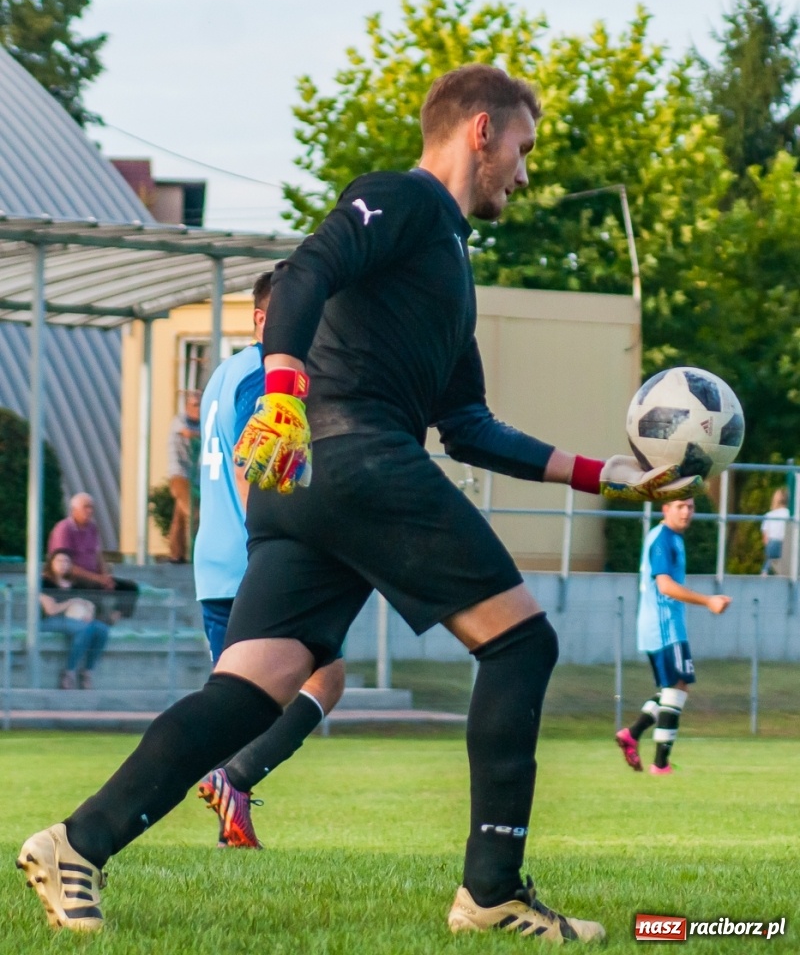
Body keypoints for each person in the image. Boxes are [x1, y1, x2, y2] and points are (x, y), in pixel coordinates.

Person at [18, 64, 699, 938]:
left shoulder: (449, 267)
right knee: (523, 645)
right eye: (523, 150)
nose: (525, 175)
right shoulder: (403, 200)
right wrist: (286, 395)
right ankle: (491, 893)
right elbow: (305, 273)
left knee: (251, 690)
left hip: (309, 488)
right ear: (480, 132)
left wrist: (604, 474)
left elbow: (469, 426)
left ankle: (77, 842)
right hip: (351, 456)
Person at [194, 270, 345, 848]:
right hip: (250, 562)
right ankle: (233, 778)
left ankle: (233, 815)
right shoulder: (264, 373)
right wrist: (274, 554)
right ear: (263, 319)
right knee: (323, 674)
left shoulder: (223, 372)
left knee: (238, 702)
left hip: (215, 563)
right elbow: (250, 463)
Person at [615, 498, 731, 776]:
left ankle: (632, 734)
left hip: (665, 625)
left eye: (690, 506)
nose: (687, 511)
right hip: (664, 626)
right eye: (680, 505)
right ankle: (661, 765)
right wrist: (708, 601)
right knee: (676, 689)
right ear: (665, 509)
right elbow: (664, 586)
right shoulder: (662, 539)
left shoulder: (672, 538)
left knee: (675, 689)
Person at [47, 494, 139, 620]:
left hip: (94, 576)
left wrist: (105, 577)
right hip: (72, 578)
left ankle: (115, 618)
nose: (90, 511)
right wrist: (98, 579)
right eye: (86, 507)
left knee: (130, 588)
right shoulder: (64, 529)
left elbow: (98, 554)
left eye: (91, 507)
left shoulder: (92, 527)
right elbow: (65, 567)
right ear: (74, 510)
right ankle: (98, 620)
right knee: (93, 588)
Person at [40, 552, 111, 690]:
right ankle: (69, 671)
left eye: (66, 561)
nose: (63, 564)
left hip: (73, 619)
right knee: (84, 628)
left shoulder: (74, 583)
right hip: (49, 620)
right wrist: (72, 601)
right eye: (59, 561)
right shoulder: (44, 582)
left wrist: (89, 612)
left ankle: (87, 671)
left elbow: (88, 603)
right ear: (51, 563)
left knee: (102, 629)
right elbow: (51, 610)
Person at [166, 390, 201, 562]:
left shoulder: (201, 424)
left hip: (194, 476)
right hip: (180, 475)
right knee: (194, 512)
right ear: (187, 406)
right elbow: (186, 432)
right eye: (195, 405)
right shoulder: (180, 420)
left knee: (179, 517)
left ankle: (176, 554)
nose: (199, 409)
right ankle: (194, 553)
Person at [760, 488, 789, 576]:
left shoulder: (769, 515)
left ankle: (765, 572)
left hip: (772, 544)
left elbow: (765, 538)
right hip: (785, 544)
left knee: (770, 559)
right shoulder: (788, 514)